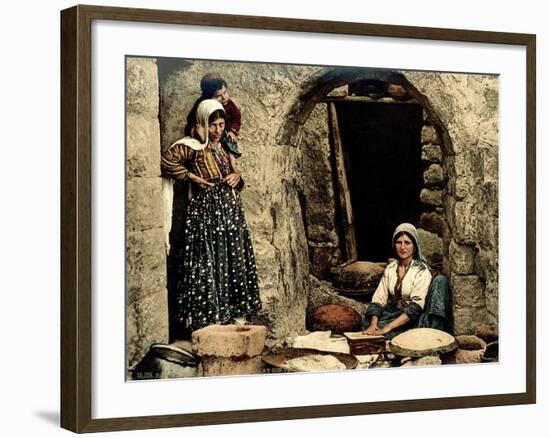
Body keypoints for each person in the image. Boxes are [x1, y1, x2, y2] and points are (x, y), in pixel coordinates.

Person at [161, 99, 261, 333]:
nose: (217, 130)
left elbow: (236, 173)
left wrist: (237, 176)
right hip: (206, 213)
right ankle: (209, 319)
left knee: (231, 259)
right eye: (212, 125)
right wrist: (193, 178)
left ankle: (234, 314)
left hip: (230, 211)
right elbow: (166, 162)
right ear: (199, 125)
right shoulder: (191, 146)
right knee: (209, 259)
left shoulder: (225, 143)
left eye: (221, 124)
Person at [362, 223, 452, 339]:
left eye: (407, 243)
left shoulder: (421, 270)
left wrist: (387, 328)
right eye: (399, 242)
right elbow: (379, 299)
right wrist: (373, 325)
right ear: (394, 245)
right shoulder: (391, 268)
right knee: (367, 323)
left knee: (410, 331)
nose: (402, 247)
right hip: (397, 314)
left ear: (414, 247)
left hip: (413, 317)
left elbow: (416, 307)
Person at [184, 73, 242, 160]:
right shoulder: (202, 106)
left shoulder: (229, 104)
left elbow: (236, 117)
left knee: (229, 149)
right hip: (207, 137)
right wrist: (198, 132)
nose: (224, 97)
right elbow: (191, 121)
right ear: (208, 97)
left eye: (225, 92)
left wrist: (232, 131)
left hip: (223, 135)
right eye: (218, 96)